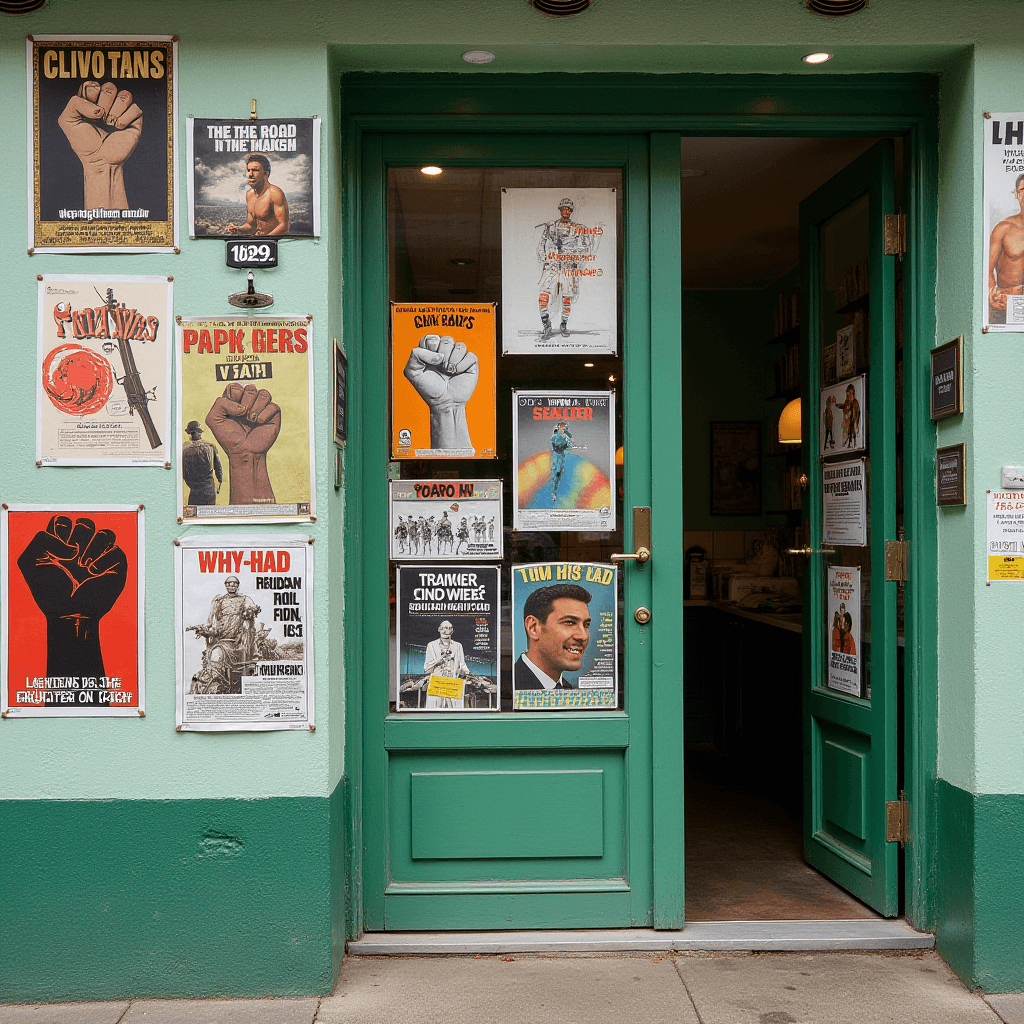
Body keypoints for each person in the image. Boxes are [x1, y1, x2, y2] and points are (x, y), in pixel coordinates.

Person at [536, 197, 596, 340]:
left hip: (568, 267)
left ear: (571, 211)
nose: (566, 211)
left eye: (568, 209)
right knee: (543, 297)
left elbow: (584, 247)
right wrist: (545, 258)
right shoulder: (551, 226)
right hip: (552, 266)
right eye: (564, 208)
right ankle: (546, 325)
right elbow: (542, 244)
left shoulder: (577, 228)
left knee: (567, 299)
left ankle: (563, 324)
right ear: (560, 209)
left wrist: (577, 258)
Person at [513, 583, 592, 691]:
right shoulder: (507, 688)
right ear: (533, 628)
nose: (583, 636)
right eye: (569, 622)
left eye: (586, 625)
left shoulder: (567, 689)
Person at [988, 174, 1024, 324]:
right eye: (1023, 189)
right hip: (1007, 304)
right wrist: (992, 293)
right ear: (1016, 194)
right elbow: (987, 270)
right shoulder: (1003, 229)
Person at [227, 153, 290, 237]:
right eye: (248, 170)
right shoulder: (249, 195)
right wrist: (238, 228)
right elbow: (251, 225)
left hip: (272, 242)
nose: (250, 174)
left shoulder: (275, 193)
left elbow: (284, 226)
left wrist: (265, 240)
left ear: (265, 173)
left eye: (255, 170)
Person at [422, 620, 469, 709]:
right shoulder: (431, 645)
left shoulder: (458, 646)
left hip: (453, 683)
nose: (446, 631)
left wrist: (465, 673)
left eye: (449, 628)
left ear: (452, 631)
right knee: (434, 711)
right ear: (439, 629)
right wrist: (438, 660)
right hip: (437, 682)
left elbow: (463, 665)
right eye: (444, 628)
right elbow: (426, 669)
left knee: (455, 712)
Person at [181, 420, 223, 506]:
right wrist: (220, 481)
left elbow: (184, 473)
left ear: (190, 433)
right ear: (199, 432)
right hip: (209, 489)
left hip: (194, 489)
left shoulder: (184, 450)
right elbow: (218, 468)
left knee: (194, 514)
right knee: (208, 514)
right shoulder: (210, 447)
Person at [549, 421, 574, 502]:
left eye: (564, 427)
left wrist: (566, 434)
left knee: (560, 473)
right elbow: (555, 445)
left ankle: (557, 492)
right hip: (556, 456)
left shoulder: (565, 437)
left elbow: (570, 443)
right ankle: (553, 492)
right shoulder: (555, 437)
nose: (563, 429)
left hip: (562, 456)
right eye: (562, 427)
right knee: (556, 472)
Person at [842, 383, 861, 448]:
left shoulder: (855, 401)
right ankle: (849, 443)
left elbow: (858, 411)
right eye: (849, 393)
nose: (850, 394)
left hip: (854, 419)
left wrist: (857, 420)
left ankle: (854, 443)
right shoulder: (847, 402)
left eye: (851, 393)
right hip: (848, 420)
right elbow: (844, 411)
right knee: (849, 432)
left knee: (853, 432)